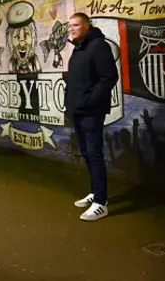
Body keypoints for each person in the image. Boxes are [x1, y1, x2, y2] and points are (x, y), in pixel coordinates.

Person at [64, 13, 118, 221]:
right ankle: (96, 192)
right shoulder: (79, 48)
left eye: (76, 25)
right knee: (86, 152)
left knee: (94, 153)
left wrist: (88, 100)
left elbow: (109, 77)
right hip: (78, 110)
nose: (72, 29)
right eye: (70, 26)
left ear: (87, 26)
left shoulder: (97, 46)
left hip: (91, 111)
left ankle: (101, 203)